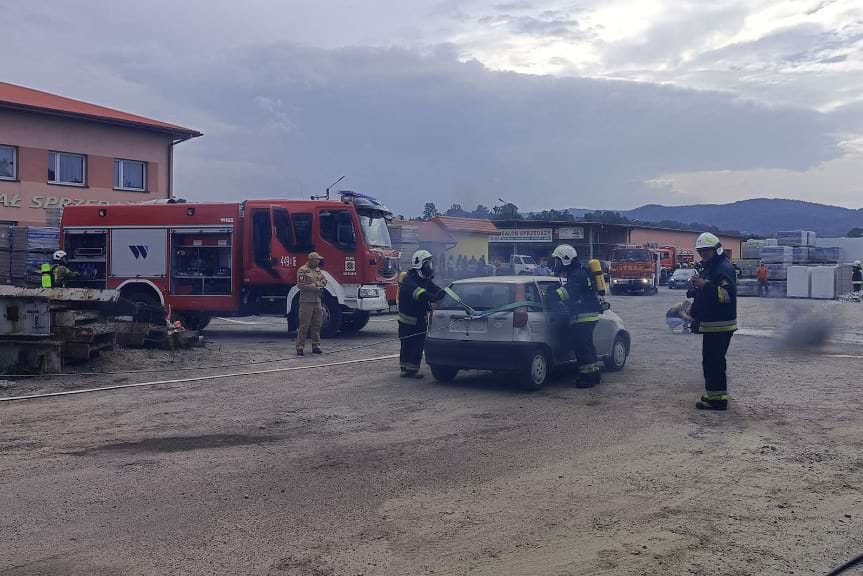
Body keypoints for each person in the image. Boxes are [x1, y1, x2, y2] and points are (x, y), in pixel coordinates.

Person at [688, 232, 737, 411]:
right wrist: (696, 290)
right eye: (701, 251)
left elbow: (726, 296)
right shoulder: (712, 267)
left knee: (715, 363)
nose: (703, 254)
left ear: (716, 250)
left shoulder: (722, 268)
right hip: (712, 325)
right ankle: (713, 394)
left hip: (720, 325)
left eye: (707, 251)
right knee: (709, 362)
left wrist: (704, 285)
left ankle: (718, 401)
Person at [545, 244, 603, 388]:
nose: (556, 264)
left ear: (566, 259)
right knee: (588, 346)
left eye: (558, 260)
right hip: (590, 314)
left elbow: (569, 292)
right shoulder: (580, 271)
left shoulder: (576, 274)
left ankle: (586, 379)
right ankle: (595, 375)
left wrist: (552, 295)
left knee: (580, 347)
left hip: (583, 316)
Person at [398, 249, 445, 378]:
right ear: (421, 265)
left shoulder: (423, 279)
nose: (431, 267)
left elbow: (433, 288)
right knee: (409, 345)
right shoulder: (409, 281)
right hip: (408, 321)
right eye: (428, 264)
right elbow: (420, 294)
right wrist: (434, 298)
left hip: (418, 319)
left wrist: (443, 293)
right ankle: (407, 369)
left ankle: (410, 369)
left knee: (416, 345)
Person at [295, 252, 327, 356]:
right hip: (306, 302)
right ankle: (300, 347)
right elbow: (300, 285)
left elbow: (324, 281)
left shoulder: (318, 270)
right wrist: (314, 287)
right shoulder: (302, 270)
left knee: (317, 325)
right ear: (312, 260)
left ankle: (316, 346)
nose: (319, 261)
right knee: (304, 325)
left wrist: (317, 284)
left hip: (317, 301)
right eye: (317, 259)